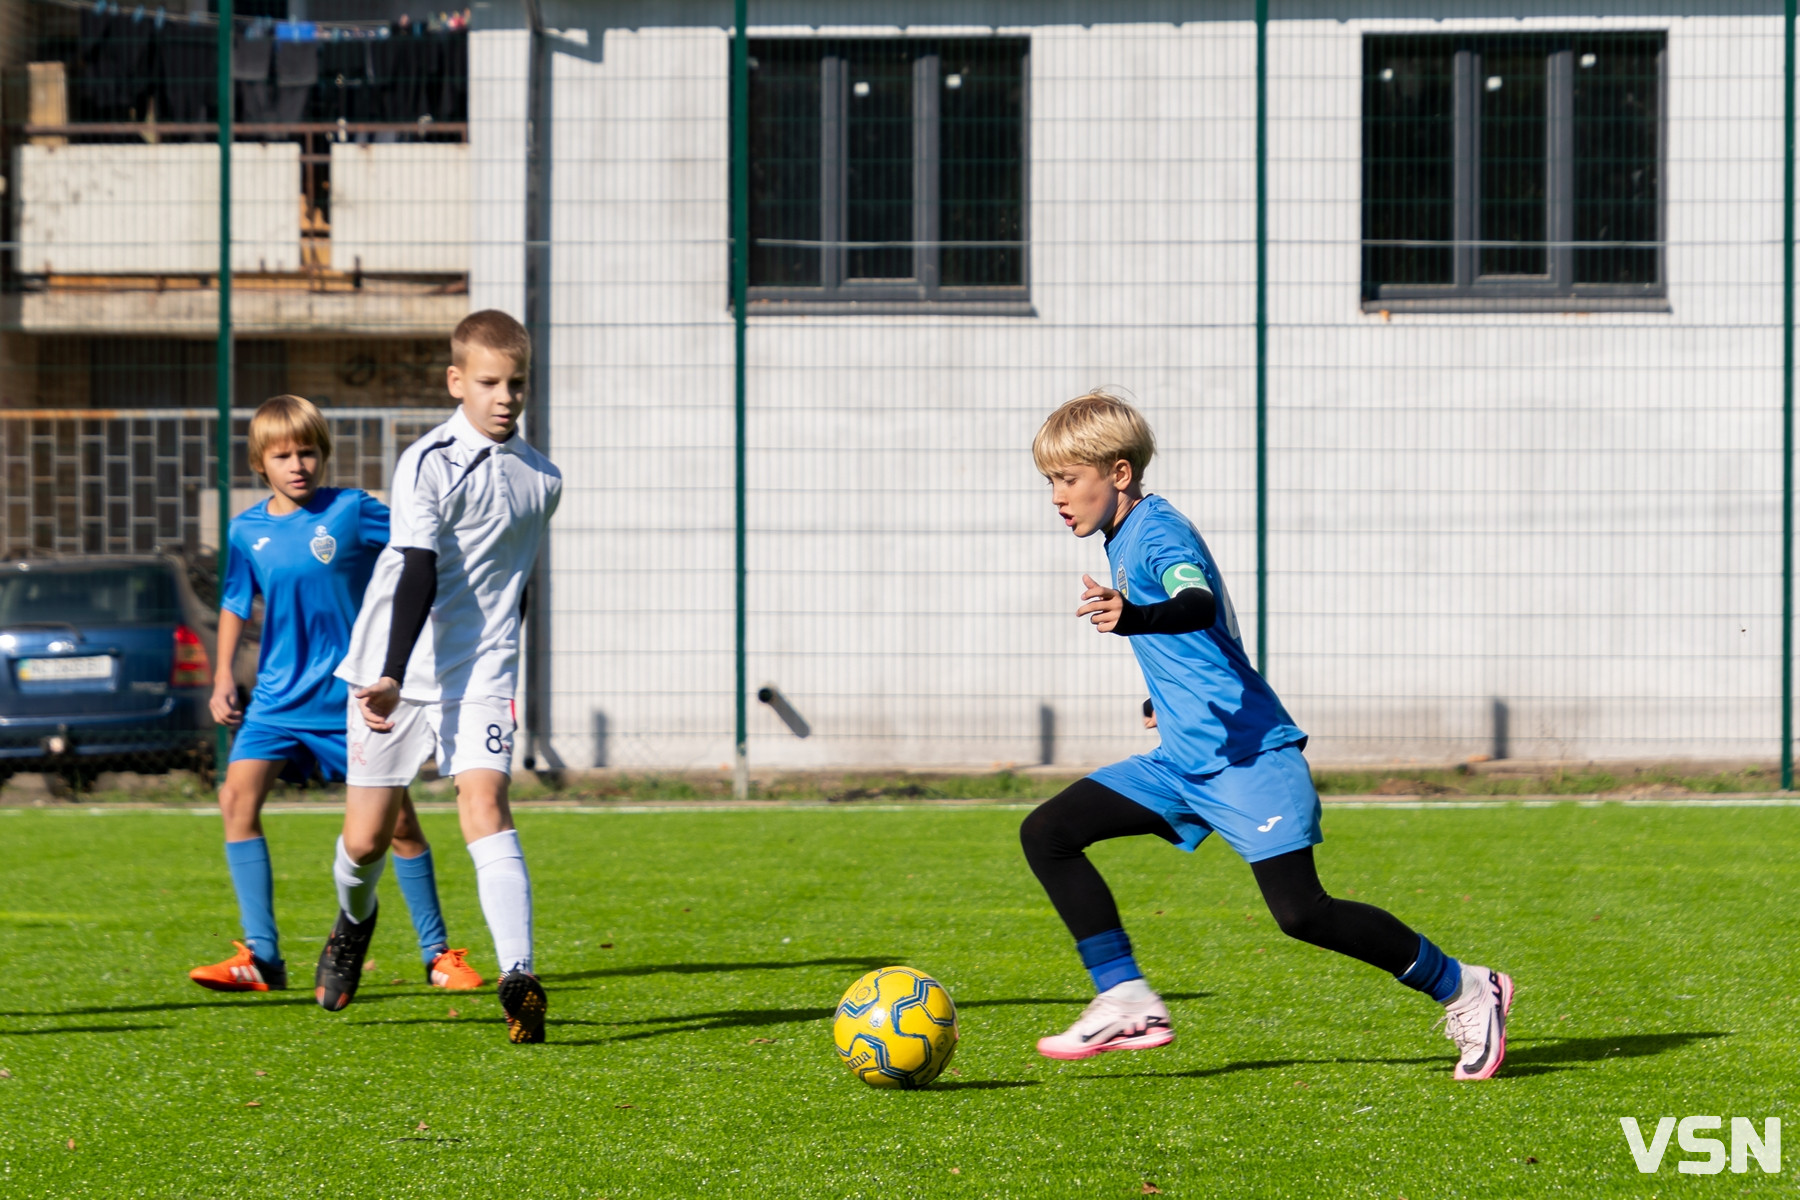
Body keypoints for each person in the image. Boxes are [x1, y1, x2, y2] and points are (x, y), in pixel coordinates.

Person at [1019, 391, 1514, 1081]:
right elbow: (1197, 639)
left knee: (1302, 913)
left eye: (1068, 479)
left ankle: (1464, 986)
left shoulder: (1158, 533)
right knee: (1048, 832)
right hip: (1186, 760)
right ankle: (1126, 995)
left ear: (1120, 473)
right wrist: (1160, 694)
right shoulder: (1123, 536)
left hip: (1248, 758)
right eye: (1050, 482)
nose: (1056, 497)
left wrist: (1132, 619)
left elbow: (1194, 604)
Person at [317, 311, 562, 1046]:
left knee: (484, 802)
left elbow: (513, 582)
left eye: (516, 383)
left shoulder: (543, 479)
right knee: (364, 843)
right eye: (489, 382)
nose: (505, 396)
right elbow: (417, 568)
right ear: (457, 382)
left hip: (480, 673)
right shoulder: (426, 462)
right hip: (394, 669)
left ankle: (517, 976)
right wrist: (389, 675)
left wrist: (503, 659)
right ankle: (354, 922)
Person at [188, 395, 484, 995]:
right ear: (259, 463)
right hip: (275, 697)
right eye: (282, 455)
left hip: (351, 695)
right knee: (235, 800)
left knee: (397, 825)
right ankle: (262, 958)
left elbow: (419, 550)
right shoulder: (247, 530)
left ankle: (437, 954)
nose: (298, 464)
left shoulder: (353, 512)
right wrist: (223, 675)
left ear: (323, 455)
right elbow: (234, 603)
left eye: (308, 452)